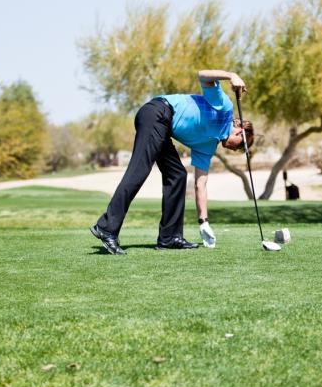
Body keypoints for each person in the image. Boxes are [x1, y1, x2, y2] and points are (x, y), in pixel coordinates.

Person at [90, 70, 254, 255]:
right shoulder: (224, 108)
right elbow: (203, 75)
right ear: (239, 132)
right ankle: (106, 228)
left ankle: (170, 237)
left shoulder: (208, 145)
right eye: (238, 146)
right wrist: (231, 75)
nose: (233, 149)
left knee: (177, 175)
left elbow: (201, 184)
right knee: (139, 171)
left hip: (163, 127)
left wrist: (204, 222)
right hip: (157, 112)